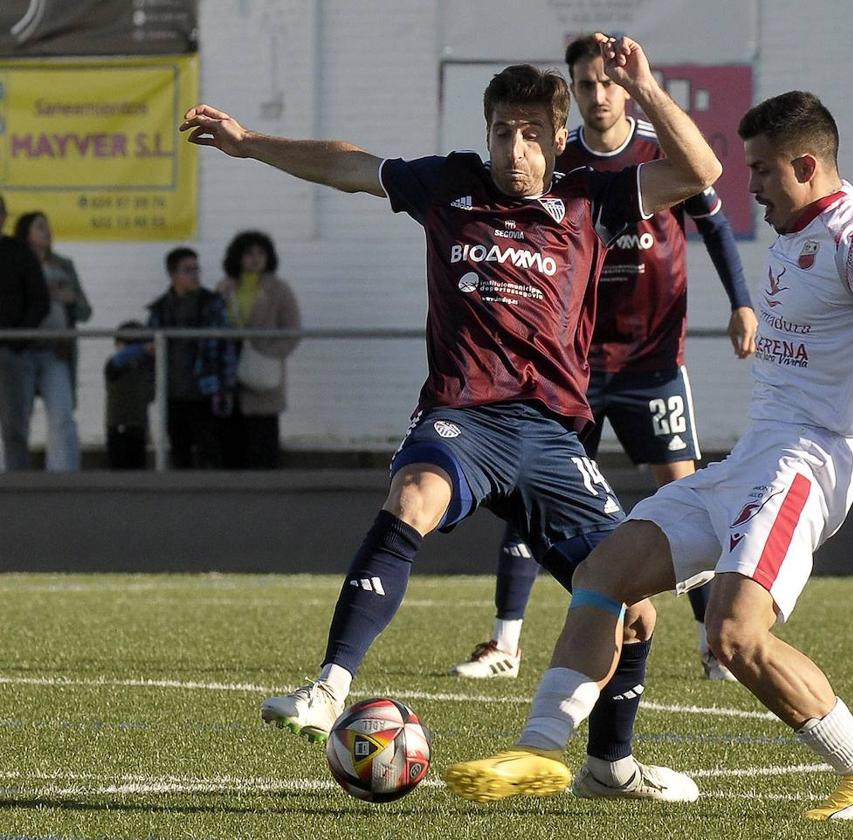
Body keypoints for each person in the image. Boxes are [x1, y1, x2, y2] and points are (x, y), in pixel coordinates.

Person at [444, 91, 853, 820]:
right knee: (605, 571)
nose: (751, 189)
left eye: (762, 172)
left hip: (804, 467)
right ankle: (539, 749)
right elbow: (846, 337)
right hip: (756, 456)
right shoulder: (800, 228)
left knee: (733, 633)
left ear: (807, 166)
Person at [180, 33, 721, 802]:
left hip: (547, 433)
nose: (515, 147)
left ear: (557, 138)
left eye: (532, 133)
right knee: (411, 500)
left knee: (634, 609)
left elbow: (702, 172)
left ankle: (611, 766)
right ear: (487, 130)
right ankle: (329, 689)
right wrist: (248, 143)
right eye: (503, 130)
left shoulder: (591, 197)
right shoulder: (449, 185)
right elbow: (347, 165)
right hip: (462, 414)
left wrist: (649, 87)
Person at [449, 35, 758, 684]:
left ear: (626, 84)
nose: (598, 96)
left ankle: (712, 642)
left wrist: (742, 303)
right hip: (575, 364)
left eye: (607, 83)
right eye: (585, 85)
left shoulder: (656, 148)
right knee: (534, 492)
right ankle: (506, 641)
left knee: (684, 494)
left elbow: (715, 219)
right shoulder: (556, 158)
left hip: (652, 360)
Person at [146, 247, 237, 469]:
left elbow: (227, 347)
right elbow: (149, 346)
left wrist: (227, 385)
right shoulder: (160, 309)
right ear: (173, 274)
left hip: (204, 390)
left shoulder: (212, 305)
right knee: (179, 449)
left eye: (197, 269)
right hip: (172, 391)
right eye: (188, 270)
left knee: (210, 449)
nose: (195, 275)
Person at [216, 230, 301, 469]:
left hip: (264, 371)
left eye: (260, 253)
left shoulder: (279, 289)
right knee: (233, 441)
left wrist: (269, 353)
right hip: (231, 372)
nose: (255, 258)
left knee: (263, 436)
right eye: (248, 253)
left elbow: (293, 329)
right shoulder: (225, 287)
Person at [14, 211, 84, 472]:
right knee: (16, 417)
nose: (48, 231)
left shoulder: (63, 265)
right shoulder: (15, 262)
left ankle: (63, 475)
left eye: (48, 226)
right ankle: (12, 473)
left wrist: (71, 299)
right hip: (21, 351)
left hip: (55, 352)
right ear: (26, 233)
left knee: (62, 416)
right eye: (40, 227)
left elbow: (86, 311)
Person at [0, 195, 50, 471]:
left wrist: (17, 340)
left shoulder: (19, 253)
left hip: (9, 350)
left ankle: (16, 485)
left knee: (14, 426)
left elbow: (39, 301)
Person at [104, 321, 156, 470]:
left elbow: (150, 395)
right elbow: (119, 360)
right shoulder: (114, 365)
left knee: (138, 469)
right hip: (117, 425)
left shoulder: (146, 366)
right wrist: (143, 348)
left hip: (138, 426)